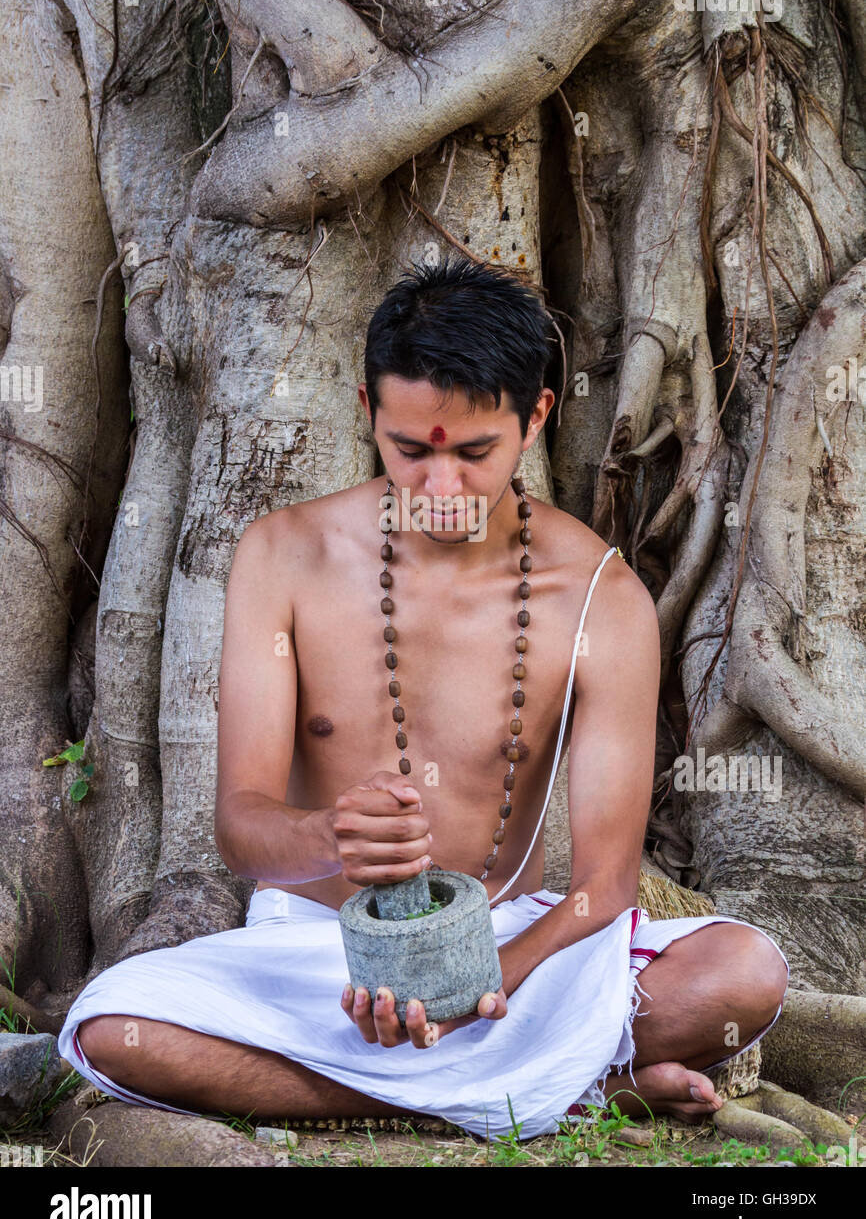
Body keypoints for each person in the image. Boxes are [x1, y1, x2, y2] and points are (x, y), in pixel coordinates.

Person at [58, 255, 789, 1140]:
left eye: (475, 453)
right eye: (410, 451)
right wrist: (326, 835)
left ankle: (478, 1076)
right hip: (317, 958)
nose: (440, 491)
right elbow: (240, 830)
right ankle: (563, 1088)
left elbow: (604, 885)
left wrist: (475, 985)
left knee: (742, 971)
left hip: (511, 954)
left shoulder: (602, 597)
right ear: (369, 413)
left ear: (535, 420)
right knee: (115, 1030)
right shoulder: (282, 556)